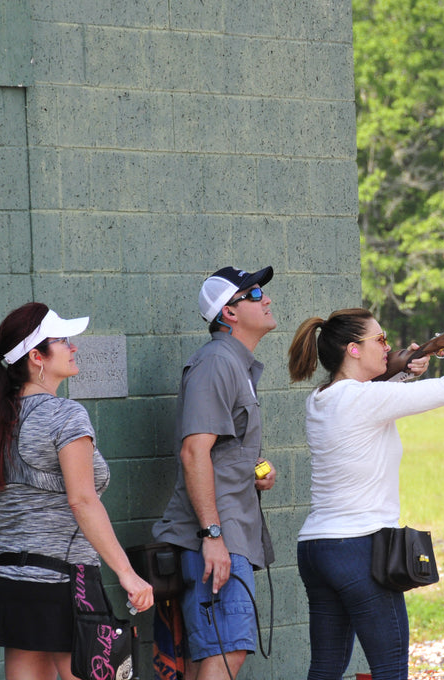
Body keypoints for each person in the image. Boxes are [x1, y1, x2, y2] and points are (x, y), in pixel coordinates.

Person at [287, 308, 444, 680]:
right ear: (353, 350)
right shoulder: (364, 400)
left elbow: (369, 396)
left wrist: (405, 371)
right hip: (358, 547)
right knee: (390, 670)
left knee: (325, 669)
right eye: (380, 340)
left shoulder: (321, 398)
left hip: (317, 548)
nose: (387, 346)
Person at [0, 302, 154, 680]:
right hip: (66, 582)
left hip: (9, 583)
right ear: (37, 356)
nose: (74, 347)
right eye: (63, 340)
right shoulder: (66, 415)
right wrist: (127, 574)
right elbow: (82, 500)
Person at [153, 266, 278, 680]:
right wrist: (212, 536)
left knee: (213, 654)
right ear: (229, 313)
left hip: (227, 534)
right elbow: (194, 452)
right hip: (216, 539)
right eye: (255, 293)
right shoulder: (216, 363)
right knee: (228, 652)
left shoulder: (234, 364)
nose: (266, 299)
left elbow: (220, 452)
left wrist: (254, 470)